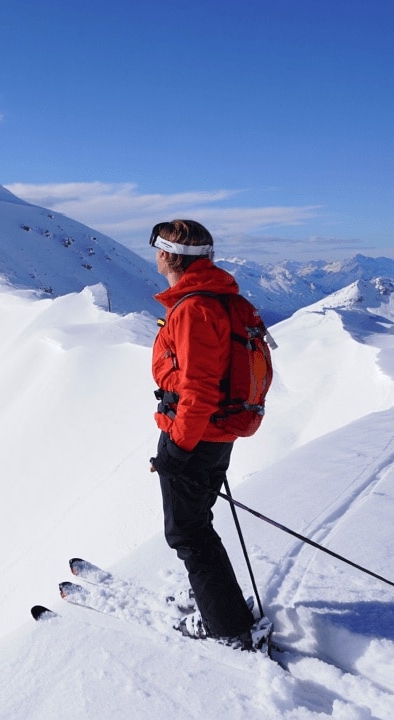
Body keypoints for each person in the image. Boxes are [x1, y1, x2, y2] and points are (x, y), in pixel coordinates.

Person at [147, 219, 261, 649]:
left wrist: (178, 446)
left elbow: (198, 387)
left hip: (194, 434)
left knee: (188, 533)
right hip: (211, 433)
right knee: (196, 527)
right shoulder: (218, 298)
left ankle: (228, 628)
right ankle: (222, 608)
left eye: (157, 247)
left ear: (168, 255)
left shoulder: (194, 308)